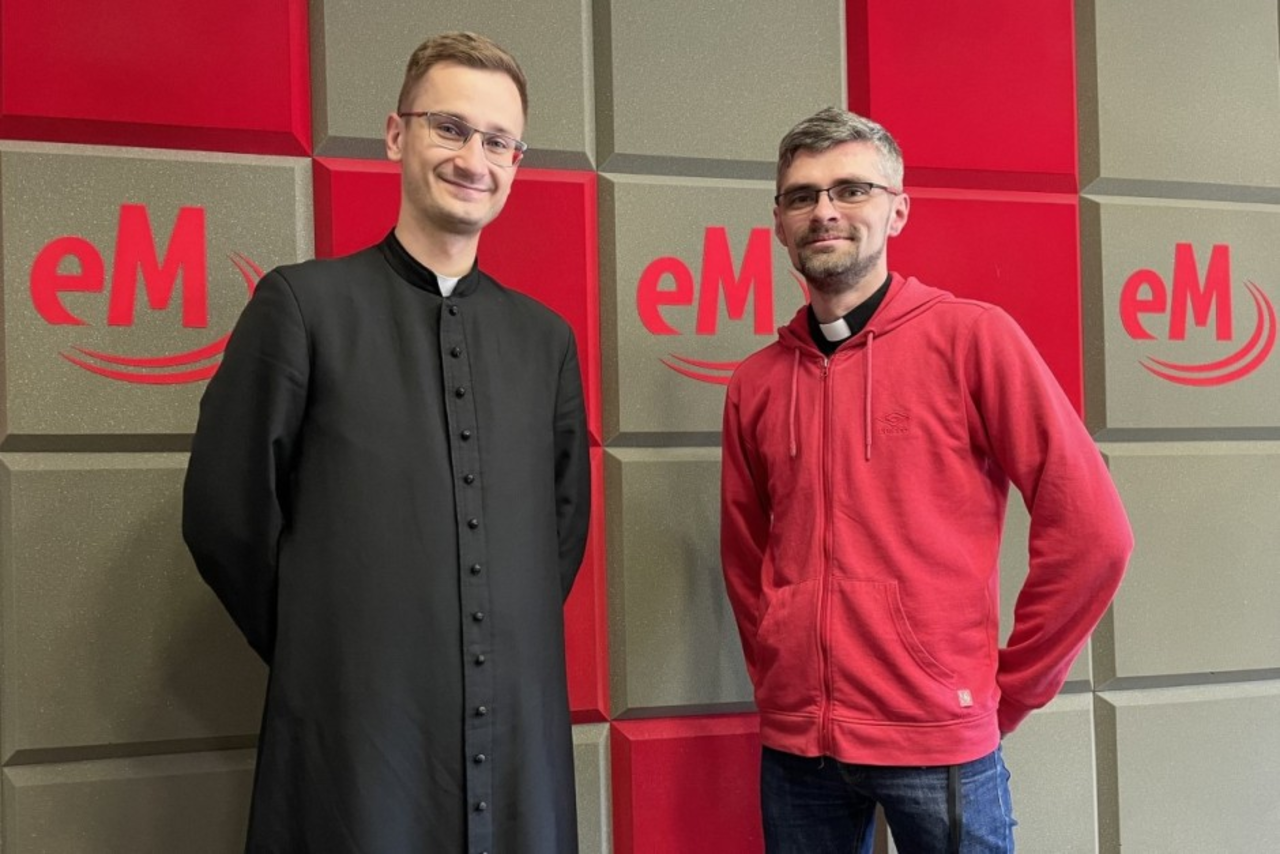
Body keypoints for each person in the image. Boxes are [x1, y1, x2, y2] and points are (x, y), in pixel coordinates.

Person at [183, 32, 591, 854]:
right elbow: (226, 517)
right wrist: (330, 642)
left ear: (516, 163)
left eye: (498, 141)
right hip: (356, 743)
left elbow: (560, 534)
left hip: (518, 743)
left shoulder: (544, 340)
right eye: (451, 128)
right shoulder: (302, 308)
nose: (474, 159)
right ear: (397, 135)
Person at [719, 107, 1133, 853]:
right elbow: (746, 560)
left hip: (939, 743)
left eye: (852, 189)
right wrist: (782, 678)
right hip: (797, 752)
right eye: (803, 196)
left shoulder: (973, 338)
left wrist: (1009, 693)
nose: (825, 211)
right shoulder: (756, 383)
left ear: (898, 210)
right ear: (779, 222)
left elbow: (1093, 533)